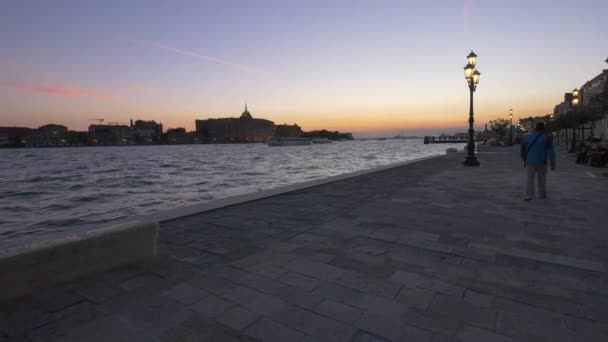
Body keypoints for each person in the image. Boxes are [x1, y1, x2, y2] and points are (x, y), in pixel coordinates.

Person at [520, 122, 556, 201]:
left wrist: (524, 159)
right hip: (542, 161)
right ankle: (542, 193)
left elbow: (522, 150)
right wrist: (552, 162)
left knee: (530, 178)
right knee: (542, 178)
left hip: (530, 160)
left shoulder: (528, 137)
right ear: (543, 128)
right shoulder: (546, 138)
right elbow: (550, 150)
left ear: (535, 128)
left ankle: (529, 195)